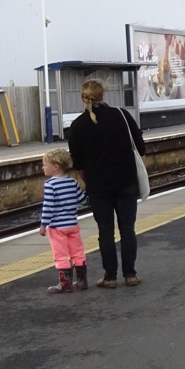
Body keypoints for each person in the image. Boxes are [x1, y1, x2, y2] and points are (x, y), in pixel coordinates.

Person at [68, 79, 145, 289]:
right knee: (127, 229)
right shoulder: (122, 115)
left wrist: (90, 180)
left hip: (98, 185)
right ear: (104, 95)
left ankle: (110, 277)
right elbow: (140, 147)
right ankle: (130, 275)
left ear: (83, 97)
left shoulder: (77, 125)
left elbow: (77, 162)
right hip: (126, 181)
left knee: (105, 232)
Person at [40, 148, 88, 294]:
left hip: (57, 227)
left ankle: (65, 284)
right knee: (78, 252)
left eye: (45, 165)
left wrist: (43, 225)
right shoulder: (72, 182)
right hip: (73, 224)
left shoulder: (50, 185)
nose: (43, 167)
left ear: (56, 166)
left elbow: (48, 207)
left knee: (60, 255)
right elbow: (83, 200)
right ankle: (82, 281)